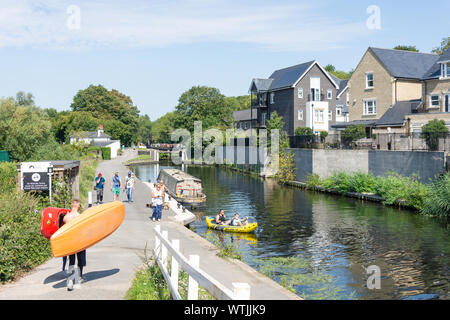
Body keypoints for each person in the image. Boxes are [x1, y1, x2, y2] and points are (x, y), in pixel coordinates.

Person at [63, 199, 86, 291]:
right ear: (78, 206)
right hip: (79, 241)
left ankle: (71, 279)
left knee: (71, 260)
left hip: (70, 241)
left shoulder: (66, 217)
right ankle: (79, 278)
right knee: (80, 260)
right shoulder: (79, 216)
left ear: (72, 205)